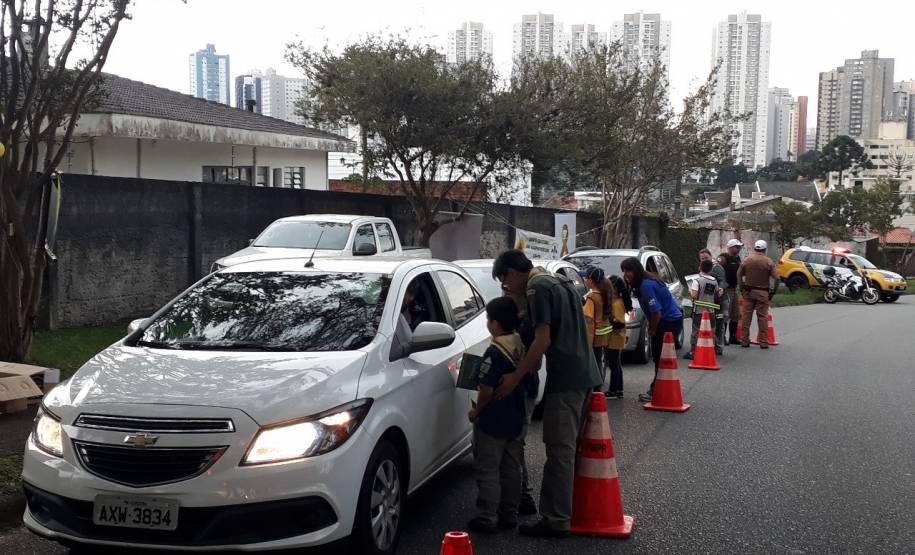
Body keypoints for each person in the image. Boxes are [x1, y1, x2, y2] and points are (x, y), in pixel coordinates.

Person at [491, 250, 602, 538]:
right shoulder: (555, 281)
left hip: (566, 377)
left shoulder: (537, 288)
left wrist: (515, 377)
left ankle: (556, 519)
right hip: (584, 371)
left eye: (504, 281)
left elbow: (543, 339)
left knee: (559, 449)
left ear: (512, 273)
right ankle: (565, 511)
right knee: (568, 449)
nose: (506, 287)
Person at [467, 297, 528, 533]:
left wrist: (476, 411)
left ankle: (487, 518)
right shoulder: (520, 344)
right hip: (516, 416)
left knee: (488, 469)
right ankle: (509, 514)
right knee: (512, 467)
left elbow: (486, 390)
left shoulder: (494, 351)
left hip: (493, 419)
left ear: (494, 323)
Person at [620, 257, 683, 403]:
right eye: (623, 271)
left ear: (636, 270)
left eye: (628, 270)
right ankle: (658, 388)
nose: (625, 274)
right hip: (671, 319)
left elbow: (656, 312)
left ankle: (657, 390)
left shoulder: (646, 286)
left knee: (659, 356)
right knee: (661, 357)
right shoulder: (648, 280)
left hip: (667, 322)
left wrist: (653, 329)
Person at [502, 288, 540, 517]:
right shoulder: (522, 325)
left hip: (522, 391)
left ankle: (521, 498)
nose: (504, 289)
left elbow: (534, 364)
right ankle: (520, 496)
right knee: (516, 443)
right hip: (522, 391)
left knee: (514, 444)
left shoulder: (524, 329)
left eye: (506, 287)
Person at [736, 240, 779, 348]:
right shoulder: (768, 262)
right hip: (763, 292)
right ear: (765, 249)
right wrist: (773, 291)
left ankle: (745, 340)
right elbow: (777, 278)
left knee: (746, 317)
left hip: (748, 292)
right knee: (762, 317)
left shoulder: (747, 260)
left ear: (755, 248)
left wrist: (742, 288)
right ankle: (763, 342)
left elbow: (739, 274)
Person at [581, 267, 613, 391]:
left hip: (592, 335)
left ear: (591, 281)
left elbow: (587, 318)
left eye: (586, 278)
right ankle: (598, 387)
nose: (584, 280)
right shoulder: (604, 293)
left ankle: (594, 388)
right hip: (602, 334)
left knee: (592, 363)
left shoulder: (592, 297)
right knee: (599, 360)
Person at [685, 259, 722, 359]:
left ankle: (693, 351)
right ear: (711, 269)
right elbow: (717, 294)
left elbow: (694, 295)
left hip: (699, 311)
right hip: (711, 311)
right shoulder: (714, 281)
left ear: (700, 268)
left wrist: (690, 291)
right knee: (711, 330)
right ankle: (711, 349)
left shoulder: (697, 281)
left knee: (696, 331)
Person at [606, 275, 631, 399]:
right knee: (616, 364)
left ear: (615, 288)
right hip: (615, 337)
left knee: (613, 364)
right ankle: (618, 389)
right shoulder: (615, 301)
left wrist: (609, 321)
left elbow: (619, 322)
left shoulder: (617, 303)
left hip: (615, 338)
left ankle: (613, 390)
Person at [699, 249, 728, 355]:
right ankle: (708, 345)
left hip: (720, 301)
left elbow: (723, 281)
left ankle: (719, 346)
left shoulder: (717, 268)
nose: (704, 260)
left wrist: (720, 289)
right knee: (708, 324)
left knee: (719, 322)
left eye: (706, 258)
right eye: (702, 259)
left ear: (711, 257)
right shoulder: (702, 268)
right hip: (707, 301)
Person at [721, 239, 744, 345]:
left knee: (736, 314)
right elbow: (717, 271)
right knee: (726, 313)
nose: (739, 249)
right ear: (730, 247)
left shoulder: (738, 258)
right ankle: (722, 336)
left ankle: (733, 337)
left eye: (739, 247)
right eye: (737, 247)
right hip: (726, 289)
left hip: (735, 288)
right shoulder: (723, 258)